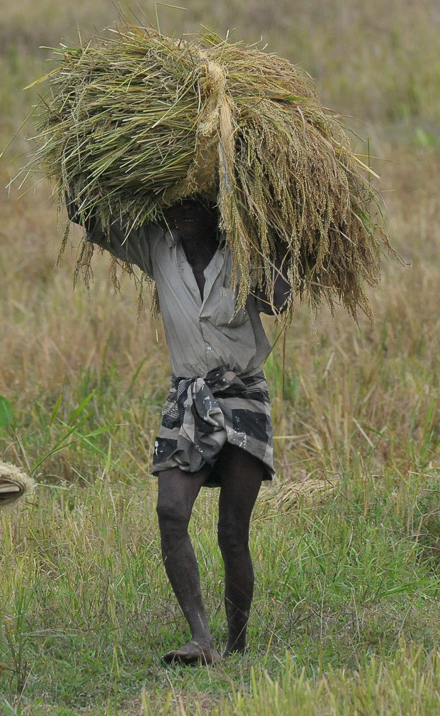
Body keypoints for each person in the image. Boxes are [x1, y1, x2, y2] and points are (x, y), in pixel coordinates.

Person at [72, 199, 291, 665]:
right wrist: (81, 172)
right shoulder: (157, 247)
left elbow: (280, 298)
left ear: (218, 205)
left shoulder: (245, 249)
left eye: (196, 203)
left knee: (232, 531)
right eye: (176, 203)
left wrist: (276, 237)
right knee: (171, 511)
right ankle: (201, 639)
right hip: (188, 395)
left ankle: (238, 643)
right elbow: (88, 215)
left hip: (242, 393)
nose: (185, 213)